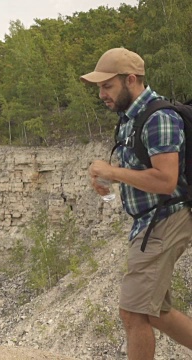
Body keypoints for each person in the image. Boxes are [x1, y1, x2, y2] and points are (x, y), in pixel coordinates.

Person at [81, 47, 192, 359]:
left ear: (131, 79)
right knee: (157, 312)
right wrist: (108, 183)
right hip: (149, 221)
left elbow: (165, 181)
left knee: (133, 313)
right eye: (99, 87)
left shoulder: (159, 118)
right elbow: (140, 175)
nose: (101, 94)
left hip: (167, 219)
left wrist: (113, 171)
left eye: (107, 85)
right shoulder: (129, 118)